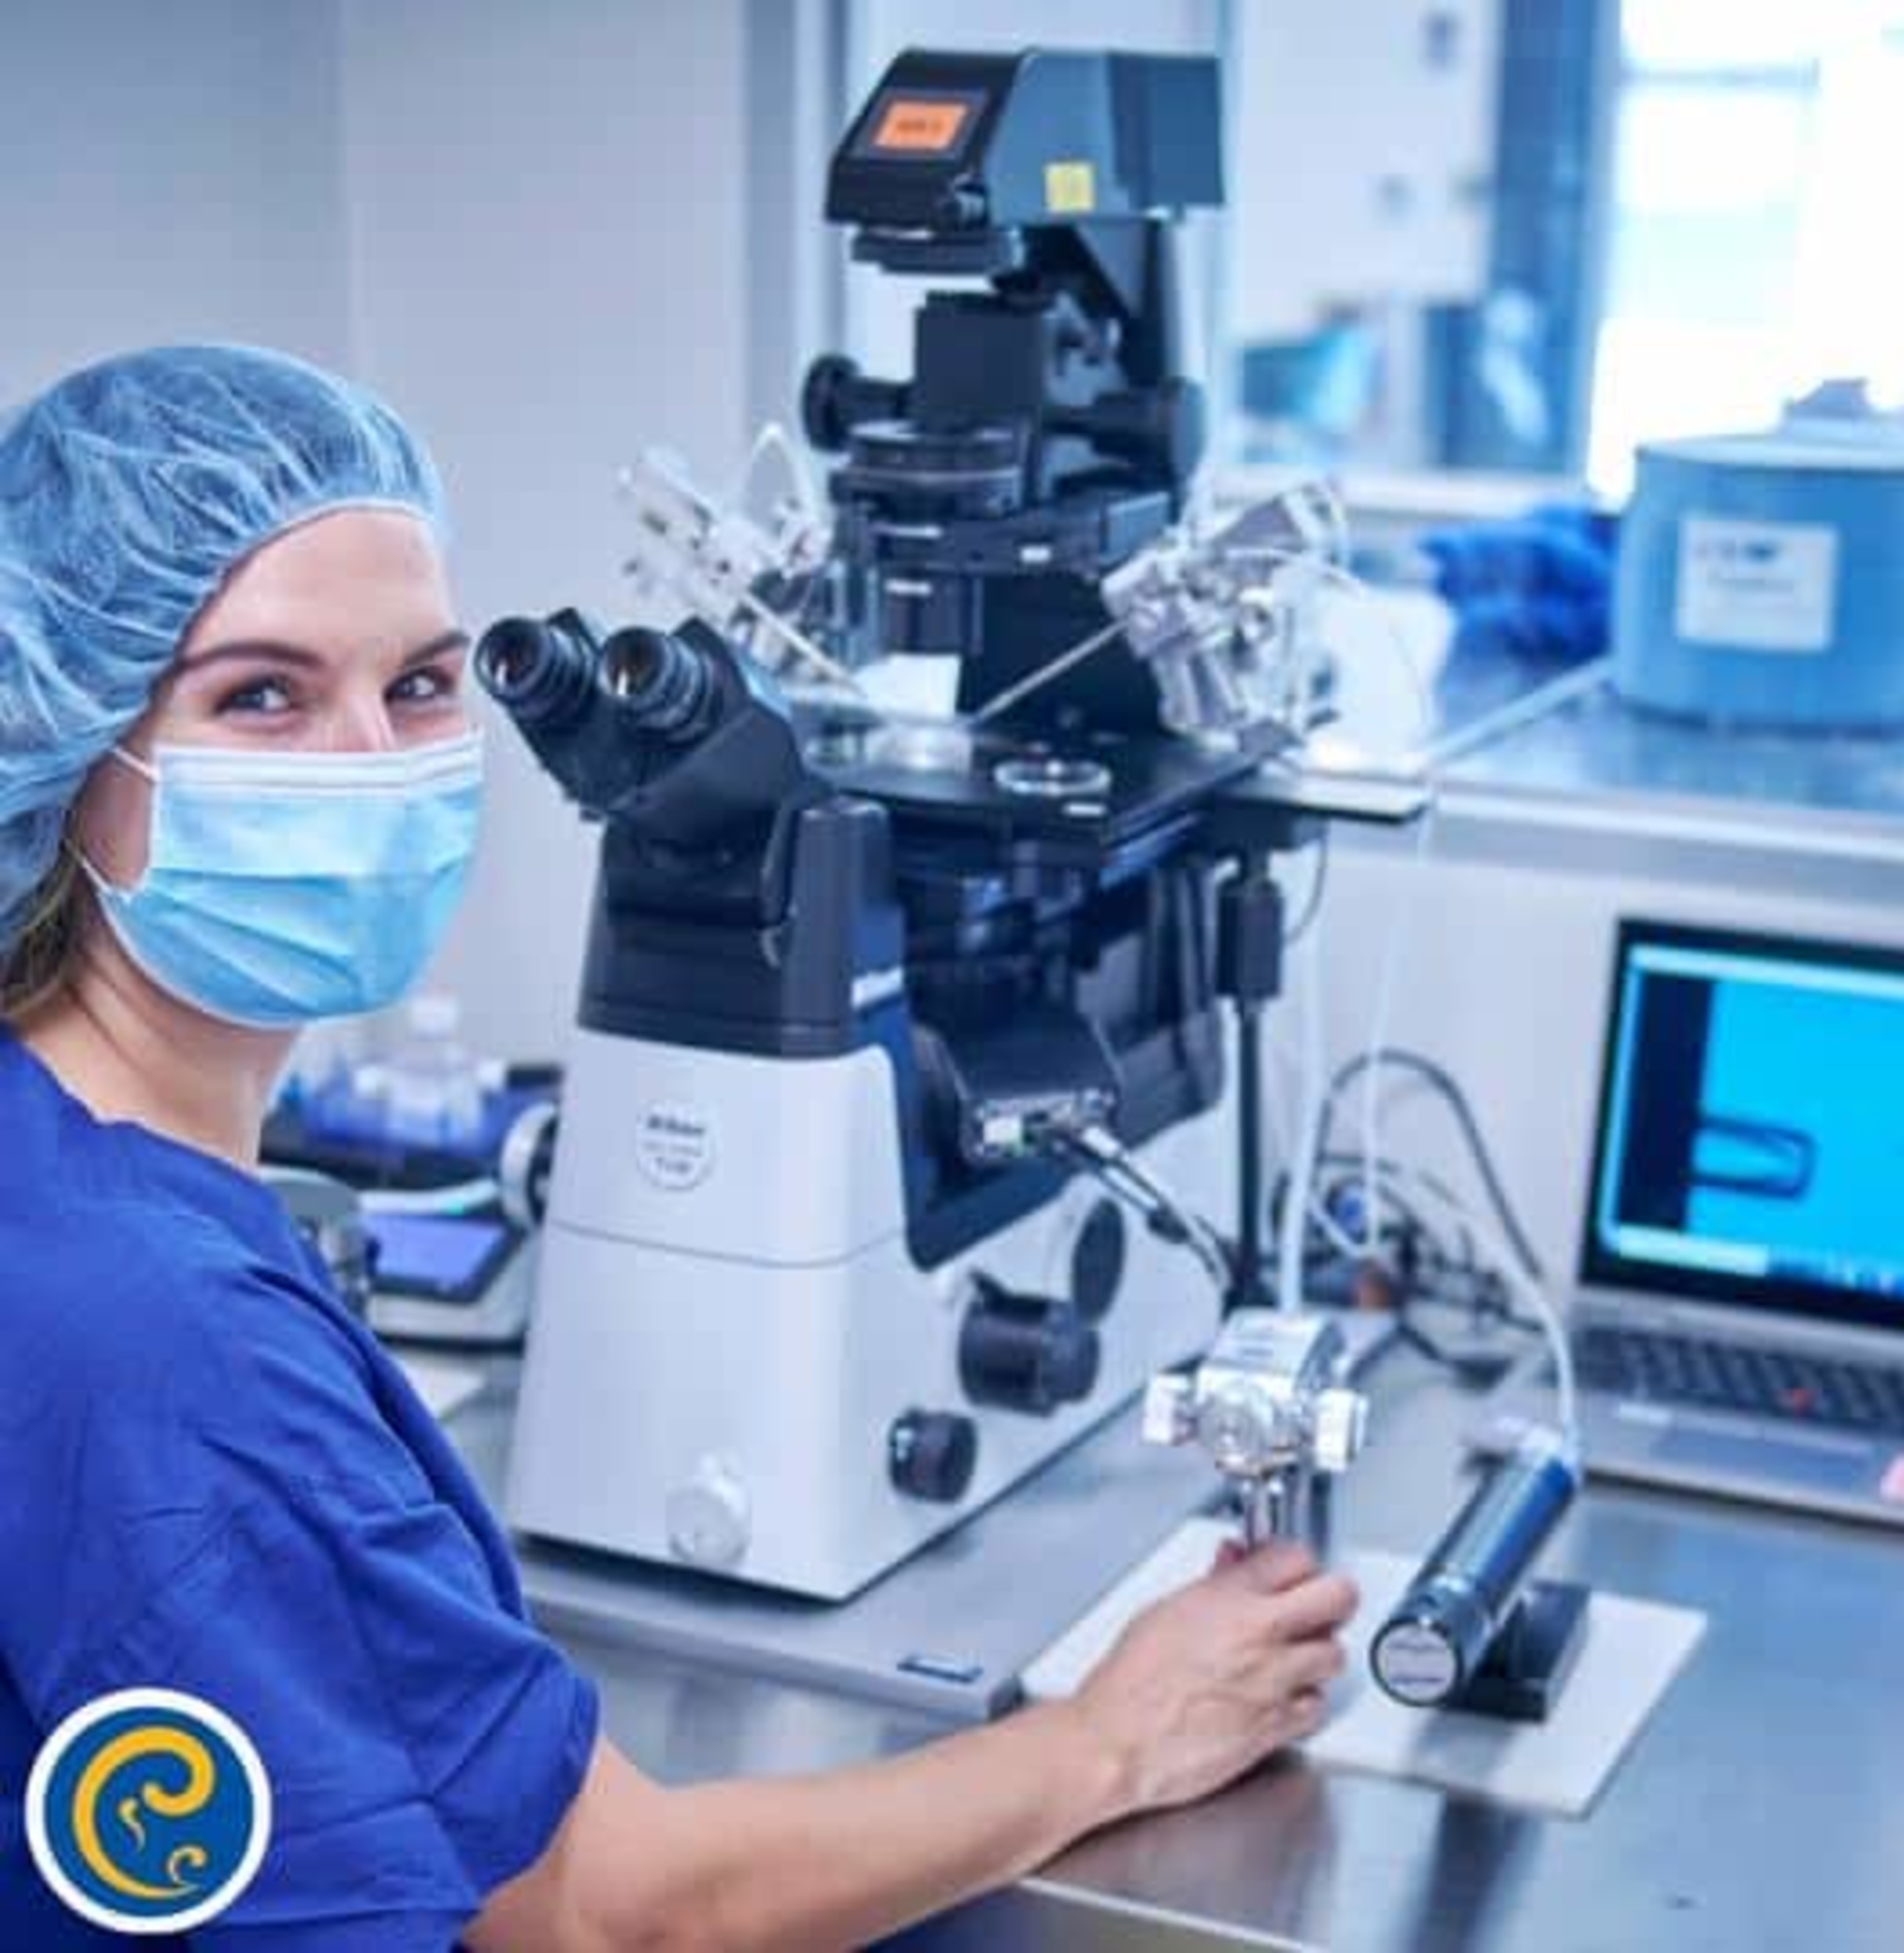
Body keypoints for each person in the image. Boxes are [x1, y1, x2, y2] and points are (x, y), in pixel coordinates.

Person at [0, 345, 1357, 1951]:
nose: (374, 765)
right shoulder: (164, 1335)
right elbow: (599, 1915)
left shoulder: (69, 1168)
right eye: (264, 696)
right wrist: (1114, 1736)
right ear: (66, 748)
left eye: (425, 684)